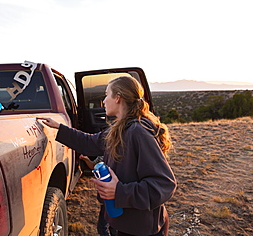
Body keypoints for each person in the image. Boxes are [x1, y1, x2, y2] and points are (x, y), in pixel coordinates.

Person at [37, 76, 177, 236]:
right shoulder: (119, 130)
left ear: (118, 98)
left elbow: (164, 184)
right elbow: (90, 143)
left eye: (106, 95)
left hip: (141, 229)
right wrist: (59, 128)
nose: (103, 101)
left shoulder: (138, 133)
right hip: (124, 224)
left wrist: (119, 191)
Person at [80, 154, 117, 236]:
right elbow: (94, 166)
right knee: (113, 226)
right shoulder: (105, 154)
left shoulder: (110, 153)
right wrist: (86, 159)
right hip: (111, 195)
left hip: (110, 196)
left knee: (103, 227)